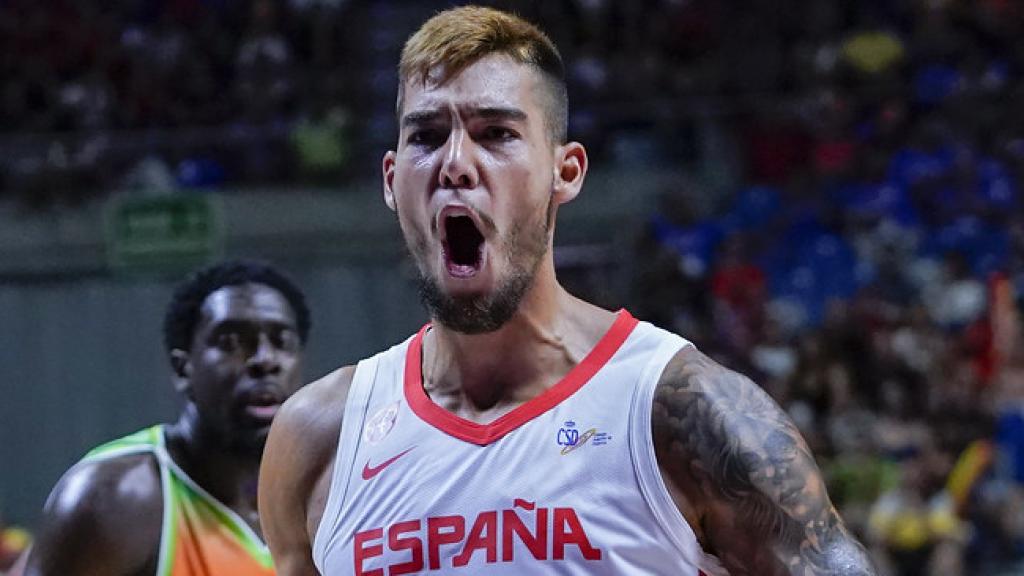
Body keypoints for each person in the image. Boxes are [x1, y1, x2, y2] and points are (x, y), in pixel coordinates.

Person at [260, 6, 877, 575]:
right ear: (392, 181)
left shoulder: (685, 411)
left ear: (567, 171)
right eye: (425, 137)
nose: (455, 164)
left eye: (496, 133)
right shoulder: (319, 437)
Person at [24, 260, 311, 576]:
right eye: (231, 342)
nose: (264, 360)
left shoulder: (320, 497)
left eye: (281, 341)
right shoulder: (113, 500)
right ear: (182, 368)